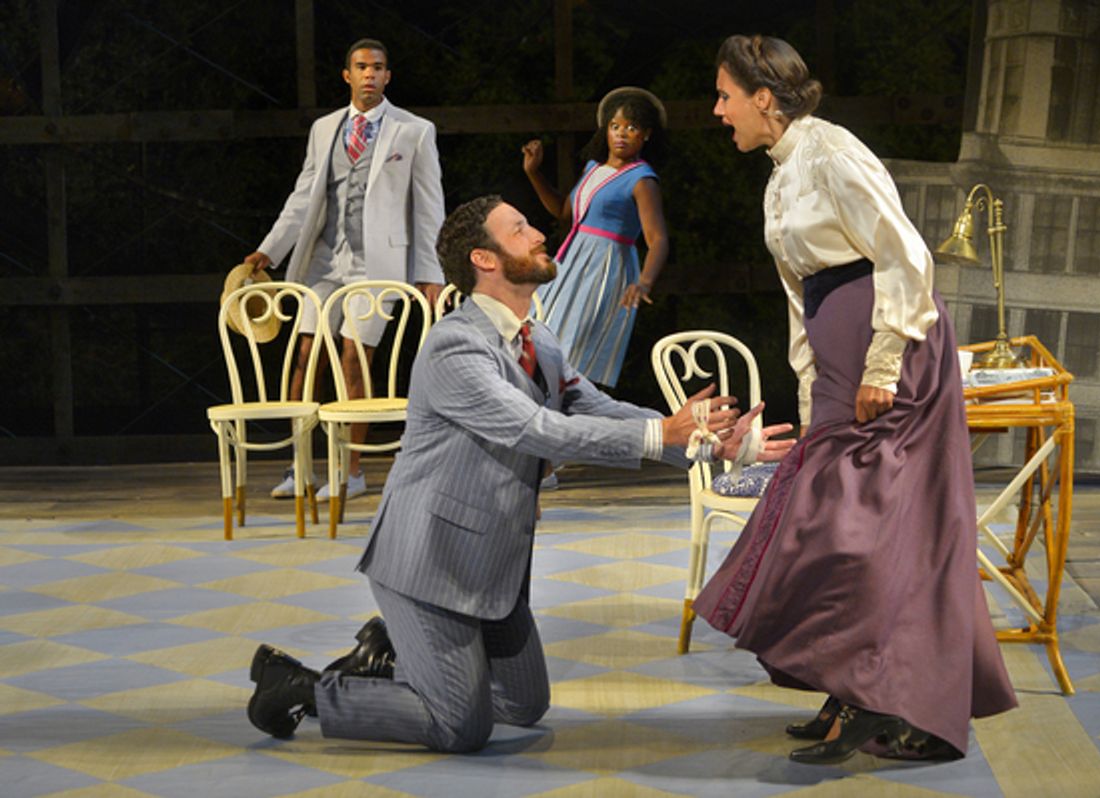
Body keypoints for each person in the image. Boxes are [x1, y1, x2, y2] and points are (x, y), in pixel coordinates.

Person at [244, 195, 794, 752]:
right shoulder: (454, 345)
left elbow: (595, 409)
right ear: (485, 259)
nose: (537, 234)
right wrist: (661, 435)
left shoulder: (539, 339)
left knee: (523, 706)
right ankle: (305, 688)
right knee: (460, 727)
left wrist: (715, 446)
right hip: (428, 562)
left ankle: (388, 658)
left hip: (492, 564)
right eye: (520, 229)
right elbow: (537, 429)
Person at [691, 35, 1018, 765]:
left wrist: (882, 364)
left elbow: (904, 253)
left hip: (891, 355)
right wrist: (813, 386)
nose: (717, 111)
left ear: (763, 98)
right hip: (841, 363)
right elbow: (799, 297)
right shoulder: (780, 175)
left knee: (861, 530)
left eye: (724, 95)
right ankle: (855, 690)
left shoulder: (832, 153)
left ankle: (876, 697)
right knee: (852, 527)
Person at [244, 38, 446, 503]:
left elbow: (429, 208)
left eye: (378, 67)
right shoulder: (325, 129)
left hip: (378, 265)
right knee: (305, 357)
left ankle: (351, 470)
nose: (370, 74)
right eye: (362, 67)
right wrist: (268, 251)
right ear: (347, 75)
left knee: (356, 357)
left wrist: (429, 270)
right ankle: (299, 467)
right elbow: (303, 197)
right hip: (324, 261)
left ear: (388, 76)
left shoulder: (413, 131)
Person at [521, 86, 668, 389]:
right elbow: (565, 212)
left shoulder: (641, 179)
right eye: (615, 126)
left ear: (646, 135)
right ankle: (541, 412)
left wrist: (644, 282)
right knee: (542, 331)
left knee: (576, 344)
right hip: (572, 260)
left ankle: (571, 417)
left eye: (631, 127)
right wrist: (534, 172)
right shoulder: (593, 168)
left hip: (604, 267)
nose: (621, 134)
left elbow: (658, 239)